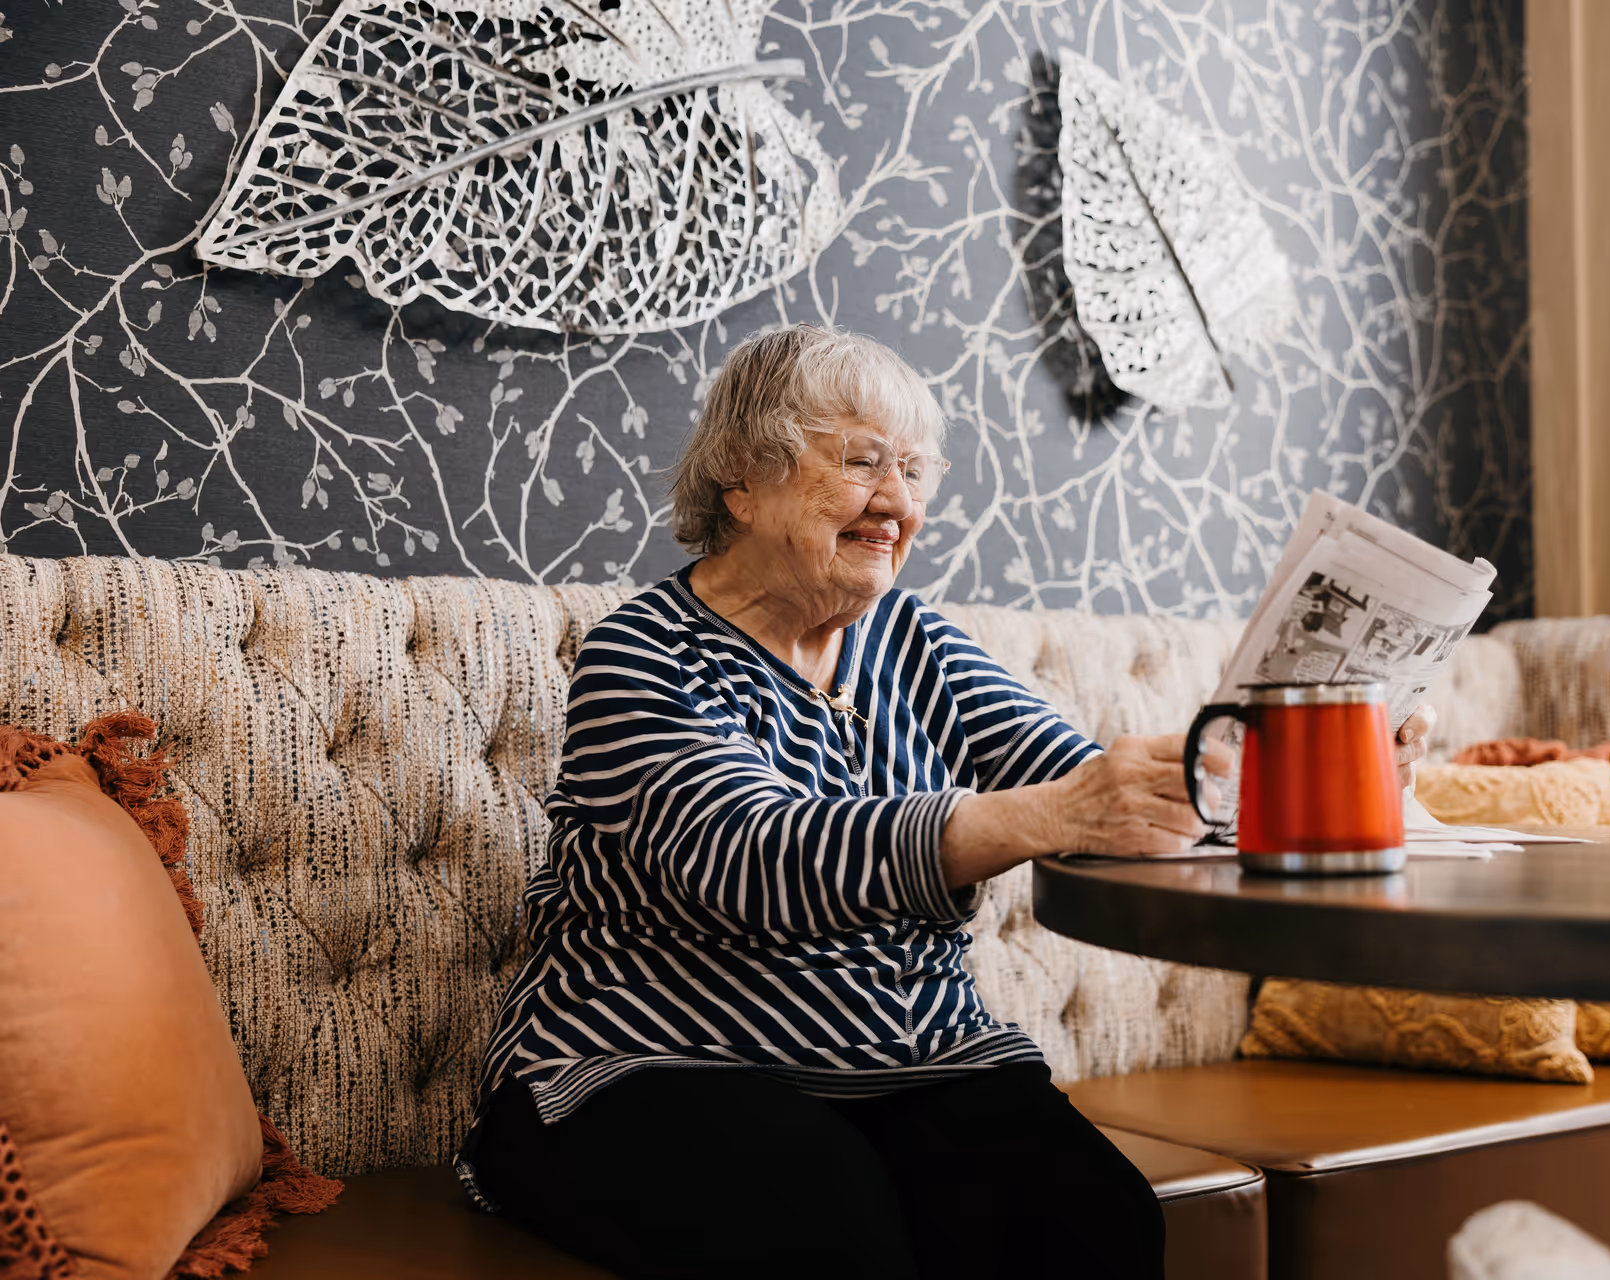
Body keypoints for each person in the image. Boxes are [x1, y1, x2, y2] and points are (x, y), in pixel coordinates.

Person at [459, 324, 1436, 1279]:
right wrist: (1044, 813)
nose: (897, 500)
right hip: (649, 1063)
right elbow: (753, 856)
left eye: (918, 471)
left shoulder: (915, 639)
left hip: (910, 1055)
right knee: (822, 1223)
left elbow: (1080, 778)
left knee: (1093, 1217)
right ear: (742, 482)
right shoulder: (643, 654)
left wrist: (1307, 758)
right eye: (863, 461)